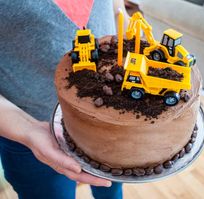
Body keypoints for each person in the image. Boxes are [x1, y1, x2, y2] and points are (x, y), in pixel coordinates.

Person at [0, 0, 126, 198]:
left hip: (114, 126)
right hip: (32, 132)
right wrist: (27, 130)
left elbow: (115, 7)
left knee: (111, 189)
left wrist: (125, 22)